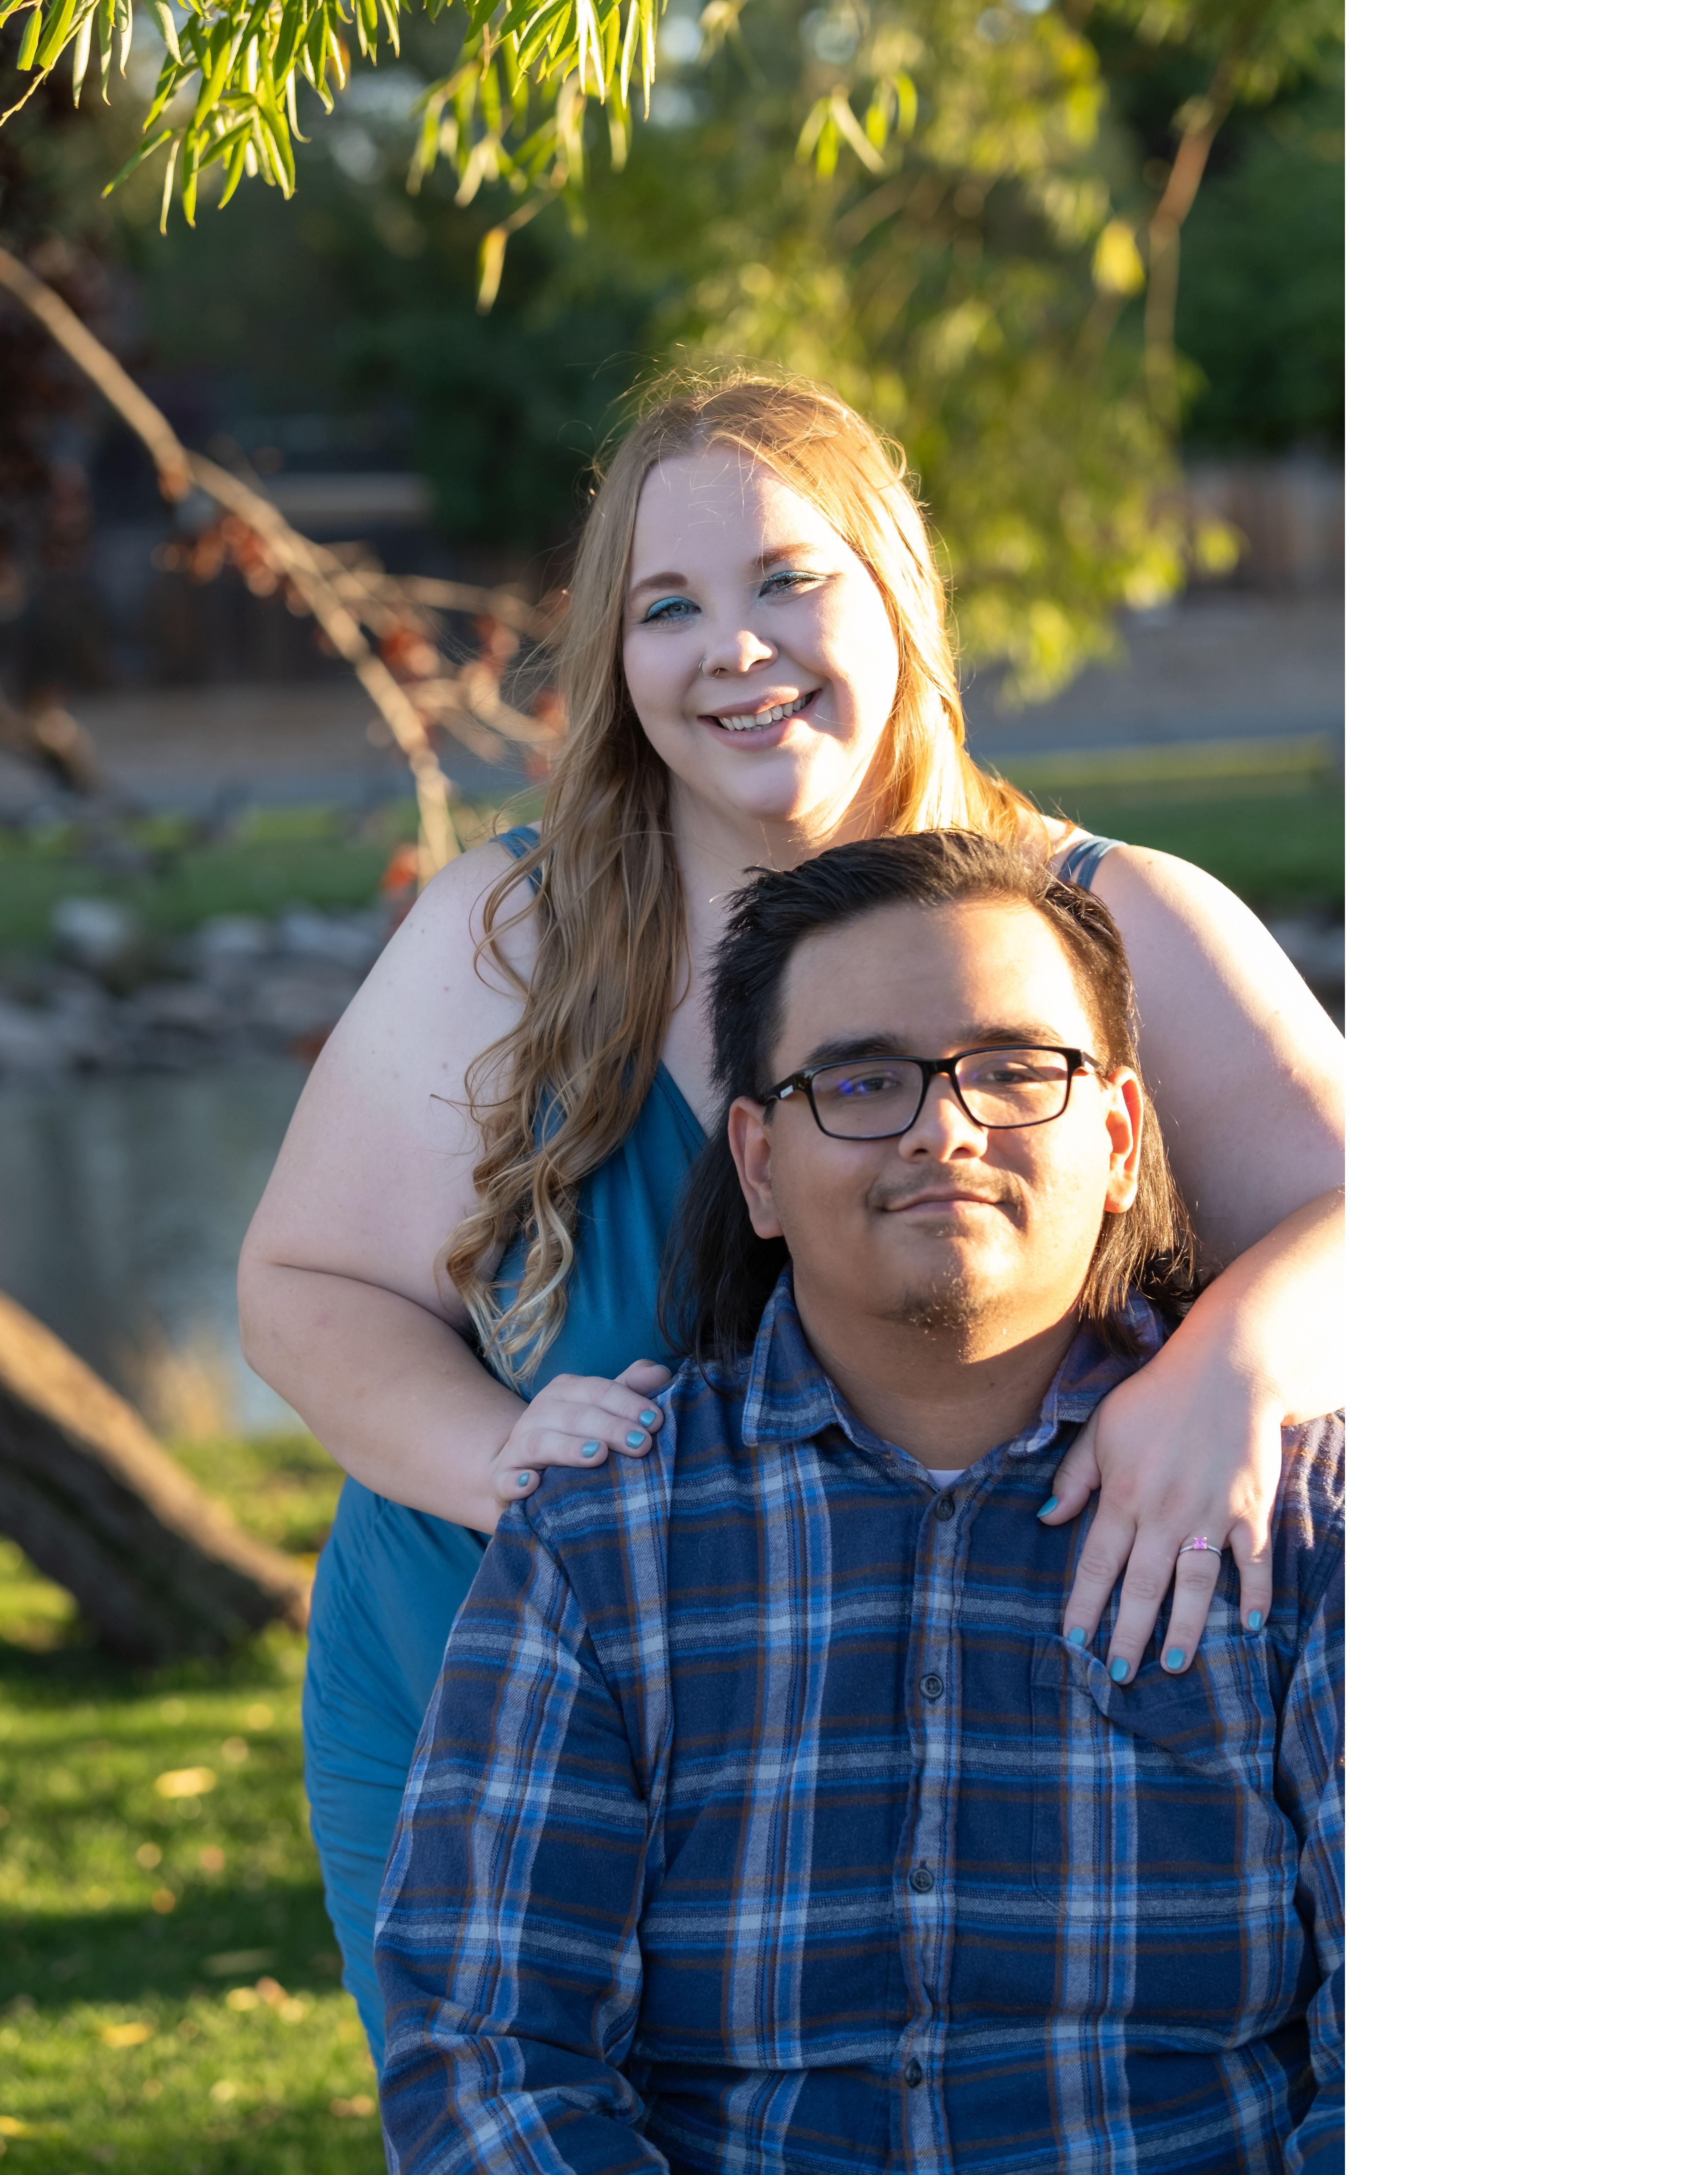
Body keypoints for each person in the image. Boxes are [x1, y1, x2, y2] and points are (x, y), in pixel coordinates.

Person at [238, 368, 1344, 2047]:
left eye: (787, 580)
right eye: (668, 607)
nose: (733, 649)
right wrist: (501, 1457)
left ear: (897, 597)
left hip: (959, 1761)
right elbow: (305, 1286)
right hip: (488, 1730)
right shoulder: (512, 933)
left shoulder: (1103, 925)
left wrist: (1227, 1369)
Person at [376, 832, 1343, 2175]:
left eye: (1015, 1070)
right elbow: (484, 2053)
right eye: (862, 1081)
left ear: (1119, 1139)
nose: (945, 1128)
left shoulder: (1306, 1524)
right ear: (759, 1166)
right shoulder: (602, 1542)